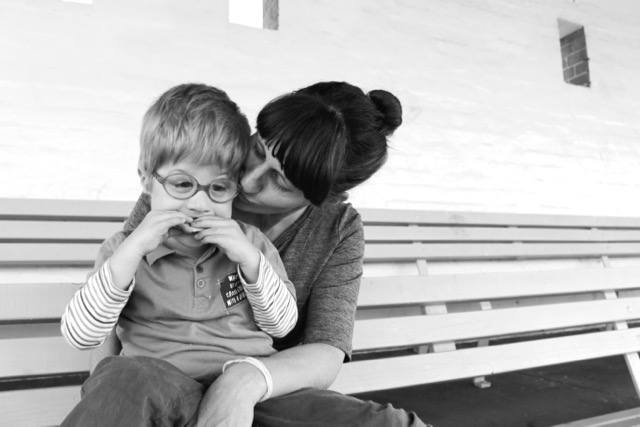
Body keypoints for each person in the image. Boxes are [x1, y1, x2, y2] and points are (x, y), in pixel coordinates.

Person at [95, 81, 428, 426]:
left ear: (324, 199)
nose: (249, 181)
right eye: (256, 150)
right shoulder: (186, 189)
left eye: (280, 181)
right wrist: (105, 396)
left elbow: (327, 348)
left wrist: (242, 382)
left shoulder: (339, 229)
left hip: (267, 393)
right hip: (162, 382)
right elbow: (112, 298)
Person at [60, 83, 298, 426]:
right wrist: (133, 251)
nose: (199, 204)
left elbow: (282, 326)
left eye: (218, 188)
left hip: (244, 396)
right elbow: (81, 335)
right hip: (157, 391)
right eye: (182, 184)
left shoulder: (251, 244)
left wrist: (250, 262)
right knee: (121, 380)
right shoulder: (123, 249)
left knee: (365, 417)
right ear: (146, 179)